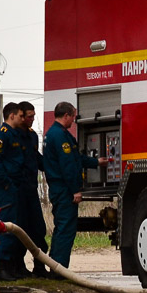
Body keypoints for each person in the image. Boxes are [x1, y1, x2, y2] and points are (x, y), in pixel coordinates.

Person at [43, 102, 103, 270]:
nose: (74, 120)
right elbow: (68, 165)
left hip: (59, 189)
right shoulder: (60, 136)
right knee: (66, 230)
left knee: (61, 228)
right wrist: (75, 190)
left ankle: (55, 265)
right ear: (66, 116)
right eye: (73, 116)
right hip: (64, 190)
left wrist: (96, 162)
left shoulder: (53, 133)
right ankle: (60, 269)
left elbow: (76, 158)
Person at [0, 102, 27, 281]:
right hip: (6, 187)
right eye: (20, 115)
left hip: (15, 185)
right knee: (7, 226)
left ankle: (12, 265)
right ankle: (2, 265)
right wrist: (6, 183)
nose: (23, 118)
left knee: (15, 225)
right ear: (12, 116)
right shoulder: (0, 135)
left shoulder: (16, 135)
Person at [16, 101, 51, 277]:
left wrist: (51, 167)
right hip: (17, 190)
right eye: (29, 116)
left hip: (31, 189)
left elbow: (36, 158)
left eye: (33, 116)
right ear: (20, 115)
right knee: (19, 229)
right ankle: (17, 266)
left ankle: (39, 265)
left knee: (38, 228)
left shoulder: (31, 136)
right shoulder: (11, 135)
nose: (32, 119)